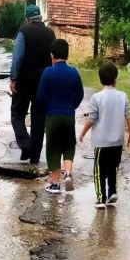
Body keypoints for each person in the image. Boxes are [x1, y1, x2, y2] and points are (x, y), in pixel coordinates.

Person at [78, 61, 130, 209]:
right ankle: (113, 192)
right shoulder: (123, 96)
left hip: (101, 142)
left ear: (100, 79)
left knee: (99, 171)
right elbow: (129, 116)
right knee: (113, 168)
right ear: (115, 79)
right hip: (117, 141)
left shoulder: (97, 97)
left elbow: (92, 119)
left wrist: (83, 133)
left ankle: (101, 198)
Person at [37, 39, 84, 194]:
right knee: (69, 145)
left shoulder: (47, 73)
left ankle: (55, 183)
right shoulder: (74, 72)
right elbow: (80, 94)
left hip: (52, 116)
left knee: (53, 148)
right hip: (68, 115)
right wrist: (72, 106)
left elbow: (40, 97)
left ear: (52, 55)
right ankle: (68, 174)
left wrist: (45, 109)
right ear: (67, 55)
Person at [9, 5, 55, 163]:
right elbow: (53, 58)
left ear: (27, 19)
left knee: (17, 114)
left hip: (24, 81)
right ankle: (35, 155)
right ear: (40, 17)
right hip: (44, 82)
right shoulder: (51, 34)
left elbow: (17, 57)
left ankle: (26, 145)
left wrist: (13, 78)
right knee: (39, 118)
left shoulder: (23, 32)